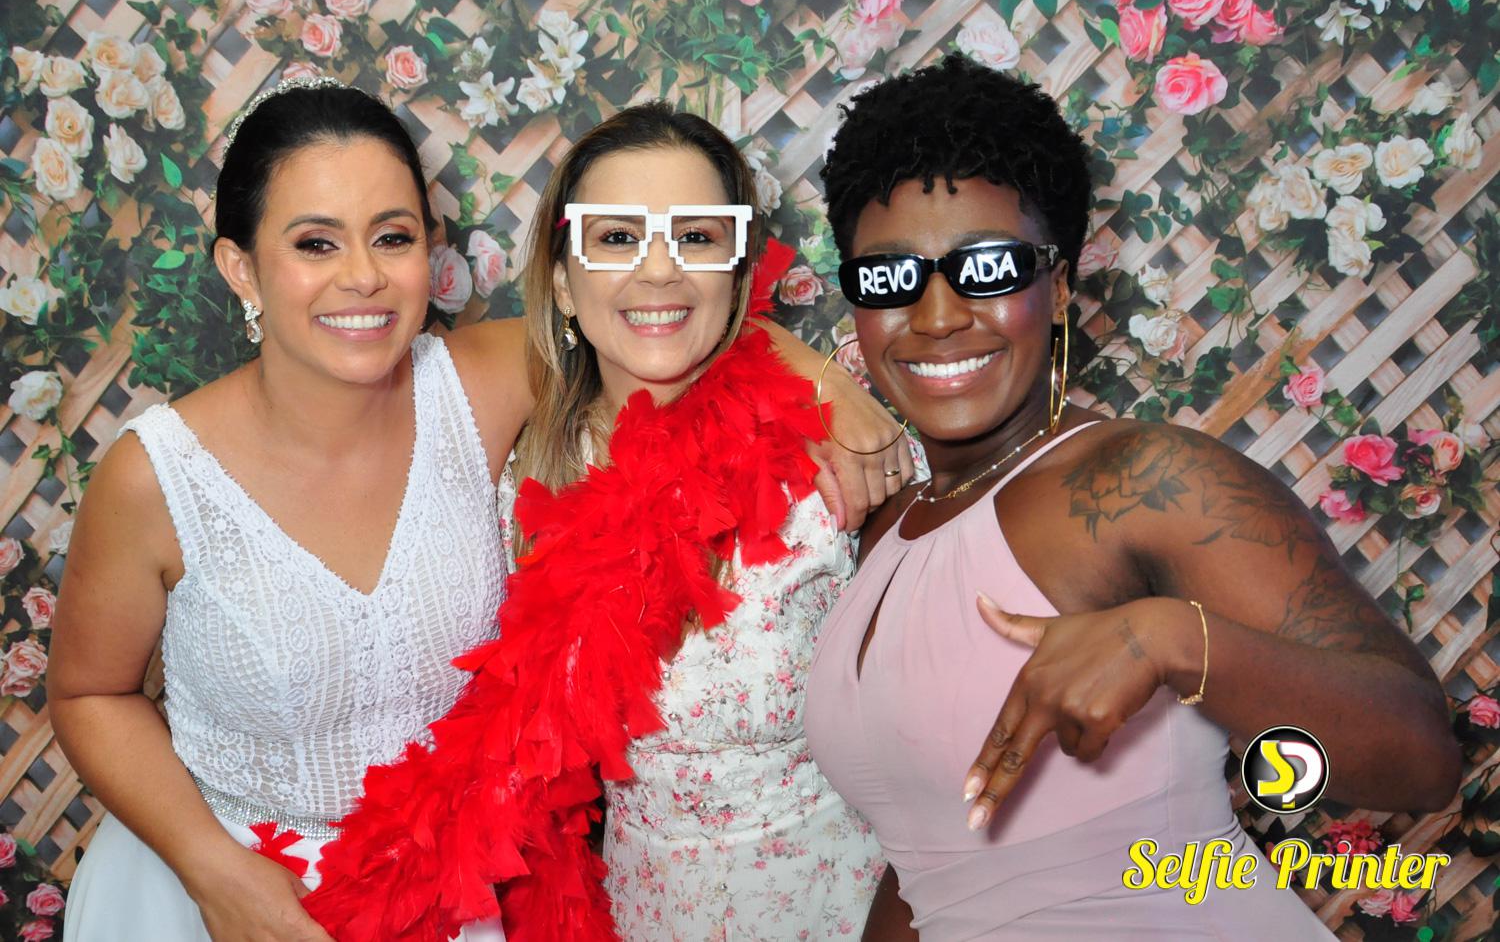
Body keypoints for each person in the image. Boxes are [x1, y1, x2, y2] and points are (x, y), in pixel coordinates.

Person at [49, 80, 901, 942]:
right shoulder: (155, 477)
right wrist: (213, 872)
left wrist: (815, 373)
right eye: (316, 243)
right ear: (242, 268)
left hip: (452, 888)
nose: (362, 276)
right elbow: (88, 692)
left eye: (393, 237)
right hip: (221, 886)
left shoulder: (478, 383)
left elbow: (657, 314)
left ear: (430, 251)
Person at [802, 55, 1461, 940]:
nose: (937, 315)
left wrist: (1172, 640)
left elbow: (1422, 760)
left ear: (1059, 287)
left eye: (988, 267)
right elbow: (933, 861)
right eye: (889, 276)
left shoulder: (1144, 480)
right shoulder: (888, 528)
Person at [304, 103, 891, 942]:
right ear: (561, 281)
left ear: (737, 271)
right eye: (616, 238)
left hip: (843, 911)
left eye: (697, 237)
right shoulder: (523, 474)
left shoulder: (830, 465)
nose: (659, 271)